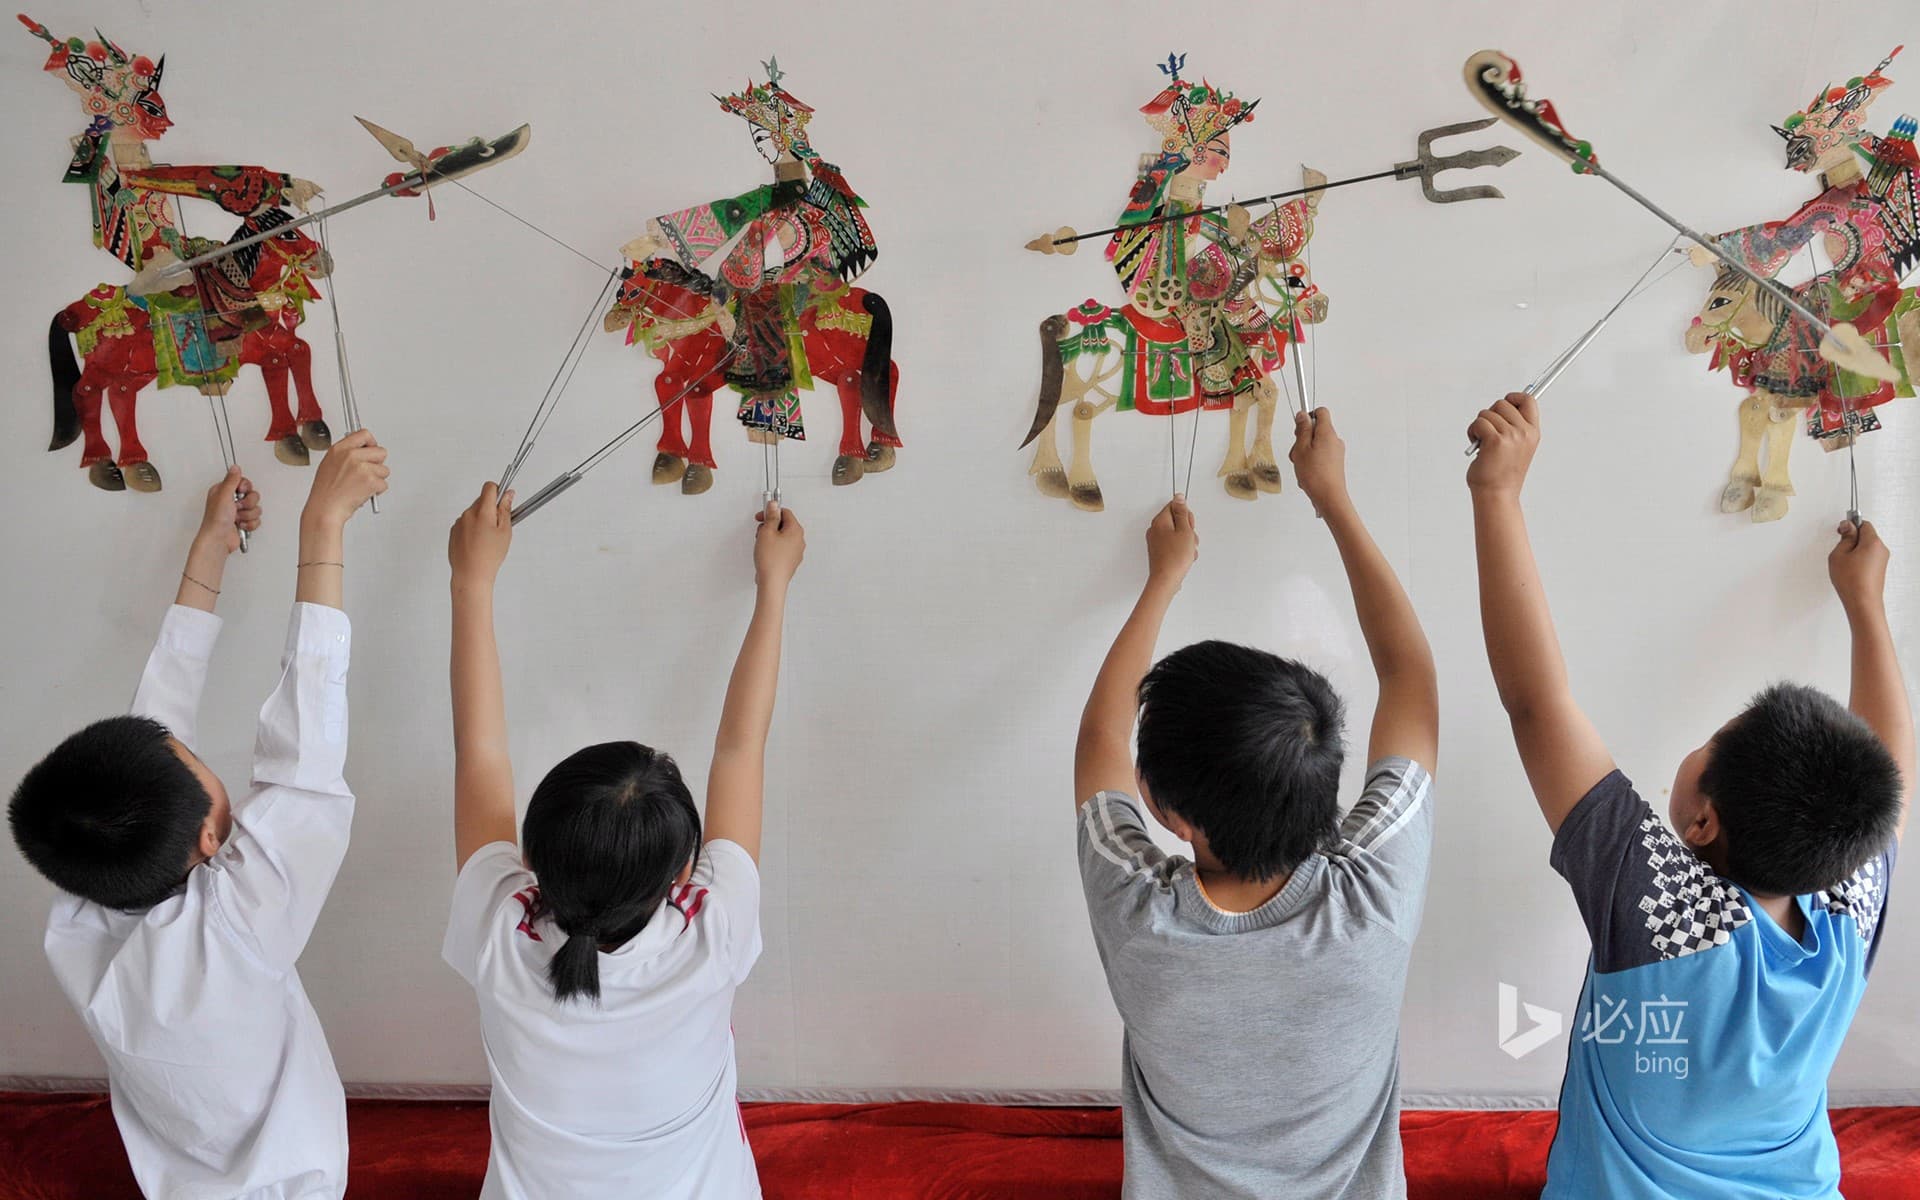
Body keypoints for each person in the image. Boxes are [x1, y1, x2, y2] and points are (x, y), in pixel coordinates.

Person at [1466, 391, 1911, 1198]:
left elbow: (1536, 704)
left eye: (1712, 740)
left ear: (1703, 821)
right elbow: (1892, 771)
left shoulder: (1664, 912)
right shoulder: (1844, 910)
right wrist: (1866, 608)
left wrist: (1496, 493)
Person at [8, 431, 391, 1199]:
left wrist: (208, 553)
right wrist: (322, 527)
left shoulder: (84, 907)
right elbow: (304, 758)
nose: (189, 745)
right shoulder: (238, 925)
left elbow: (157, 723)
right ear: (211, 836)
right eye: (197, 762)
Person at [1073, 408, 1440, 1198]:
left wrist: (1162, 580)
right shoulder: (1373, 899)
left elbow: (1100, 738)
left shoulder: (1138, 913)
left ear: (1164, 810)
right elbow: (1409, 676)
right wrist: (1334, 499)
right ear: (1327, 776)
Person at [442, 482, 804, 1199]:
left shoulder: (499, 928)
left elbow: (479, 754)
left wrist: (470, 580)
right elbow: (741, 751)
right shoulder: (712, 932)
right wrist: (774, 588)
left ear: (529, 862)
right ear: (683, 879)